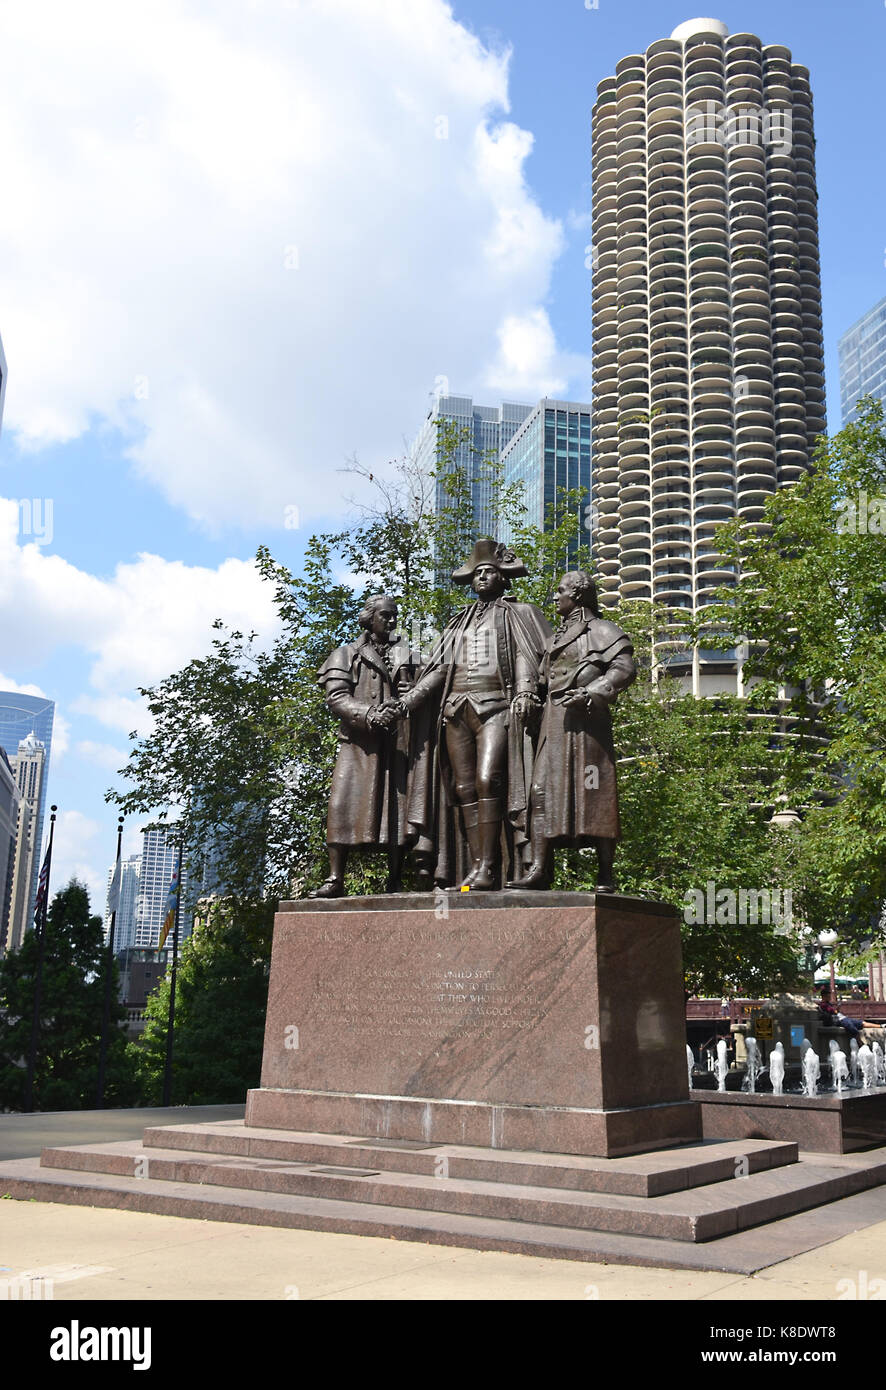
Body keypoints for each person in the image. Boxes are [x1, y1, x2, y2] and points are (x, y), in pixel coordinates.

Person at [388, 540, 551, 889]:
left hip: (495, 705)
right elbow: (438, 669)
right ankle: (477, 866)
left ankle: (490, 866)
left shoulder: (519, 613)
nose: (482, 578)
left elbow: (528, 655)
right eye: (477, 574)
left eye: (489, 572)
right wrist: (409, 701)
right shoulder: (458, 621)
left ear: (503, 578)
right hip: (455, 709)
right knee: (462, 789)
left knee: (487, 779)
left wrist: (524, 689)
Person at [509, 570, 636, 891]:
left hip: (586, 726)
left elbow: (624, 669)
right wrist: (528, 700)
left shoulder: (604, 630)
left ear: (577, 595)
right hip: (552, 725)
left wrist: (593, 692)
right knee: (539, 792)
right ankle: (539, 868)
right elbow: (541, 681)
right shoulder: (552, 640)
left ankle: (606, 873)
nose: (555, 597)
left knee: (595, 793)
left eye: (560, 590)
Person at [311, 595, 433, 897]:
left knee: (397, 808)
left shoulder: (407, 654)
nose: (391, 621)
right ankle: (335, 877)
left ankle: (395, 878)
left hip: (396, 743)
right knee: (342, 805)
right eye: (386, 616)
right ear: (369, 618)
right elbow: (336, 697)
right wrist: (369, 713)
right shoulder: (345, 654)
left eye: (395, 616)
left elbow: (435, 676)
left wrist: (413, 689)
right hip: (359, 744)